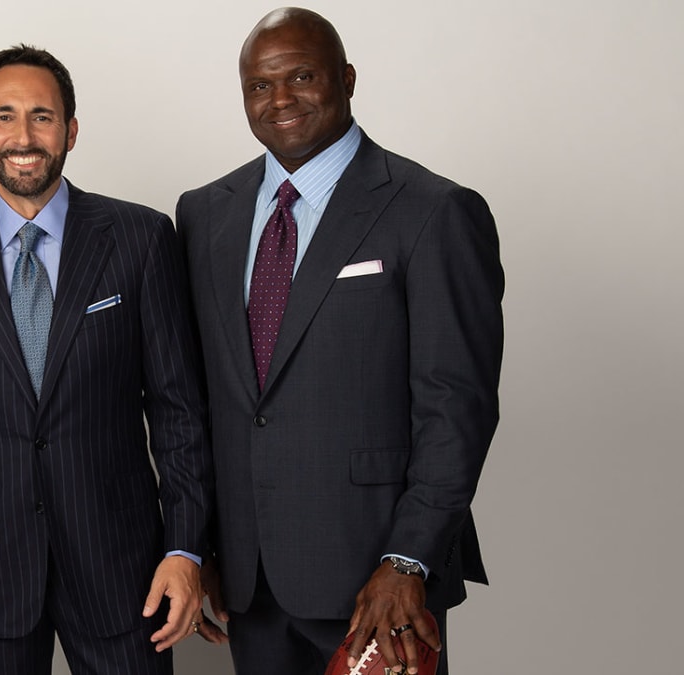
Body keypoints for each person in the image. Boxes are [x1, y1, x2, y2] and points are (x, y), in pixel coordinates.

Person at [177, 8, 504, 675]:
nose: (280, 99)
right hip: (249, 579)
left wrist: (407, 560)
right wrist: (201, 542)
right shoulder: (204, 213)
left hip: (377, 583)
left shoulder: (432, 210)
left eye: (302, 76)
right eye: (259, 85)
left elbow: (456, 408)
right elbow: (204, 398)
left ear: (347, 78)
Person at [0, 45, 213, 675]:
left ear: (71, 129)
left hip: (125, 568)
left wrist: (185, 549)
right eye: (3, 116)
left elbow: (178, 412)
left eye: (42, 116)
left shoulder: (141, 239)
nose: (23, 136)